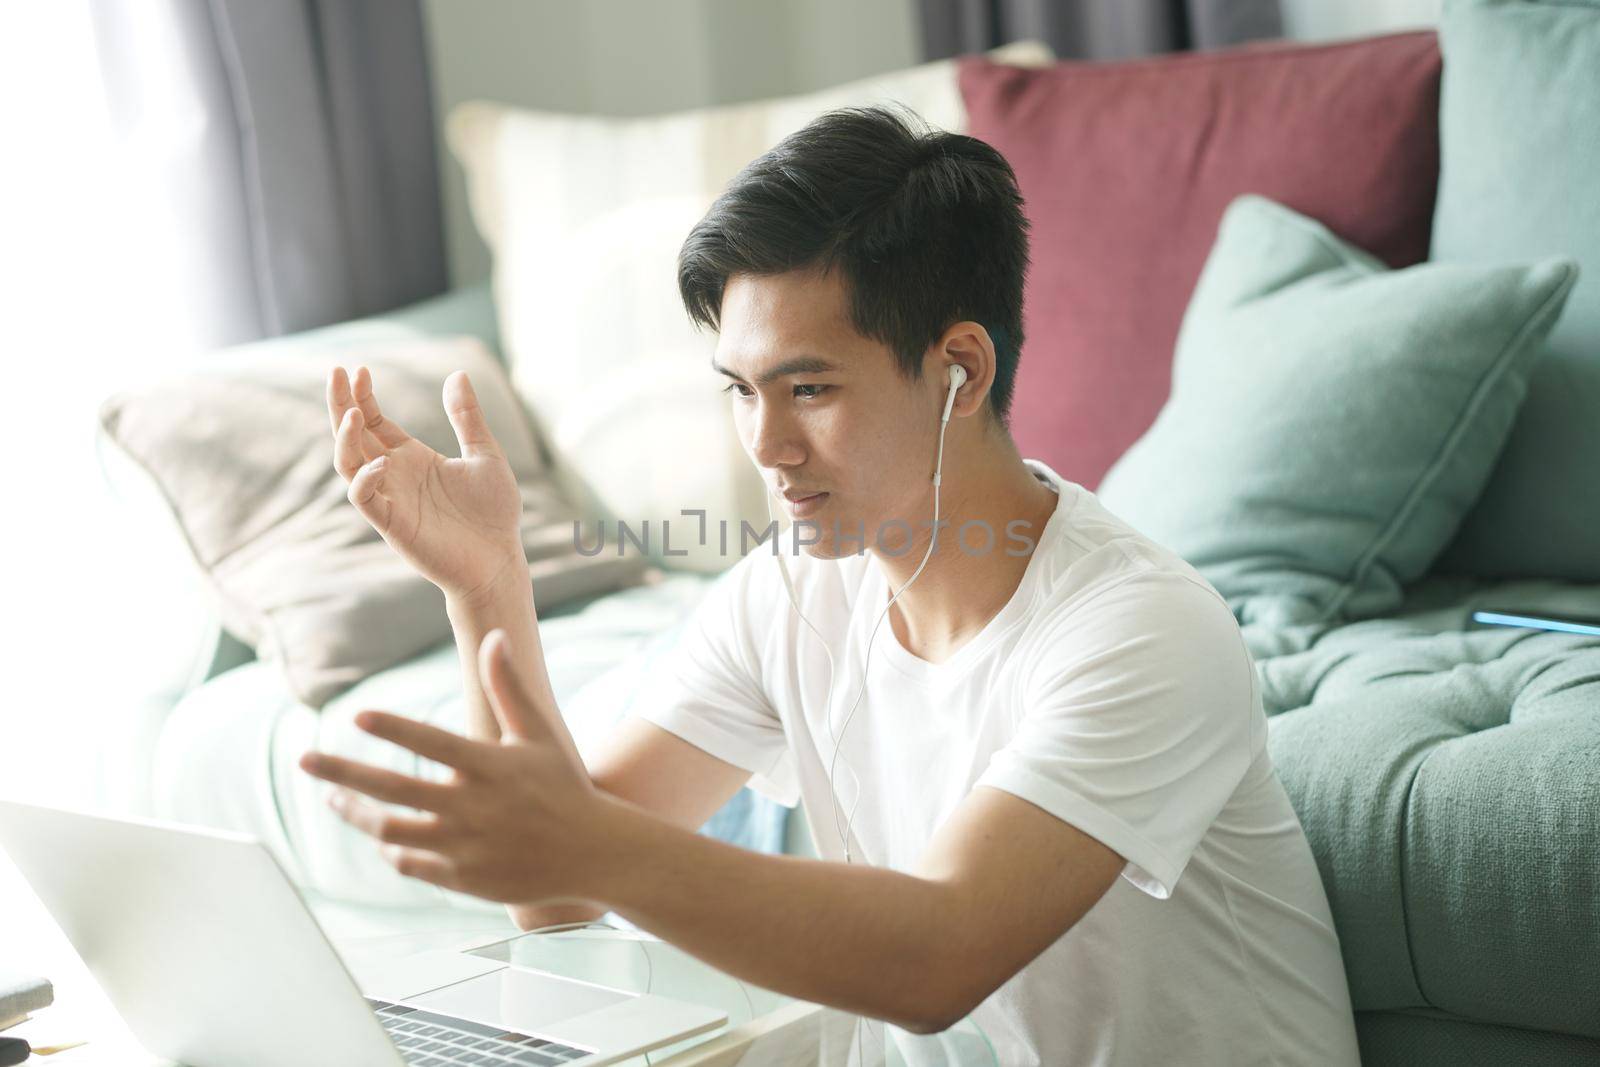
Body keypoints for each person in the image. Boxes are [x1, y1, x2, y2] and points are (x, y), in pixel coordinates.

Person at [299, 105, 1360, 1065]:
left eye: (808, 388)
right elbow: (563, 891)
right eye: (739, 392)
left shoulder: (1137, 629)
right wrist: (487, 582)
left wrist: (590, 837)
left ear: (962, 368)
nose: (766, 445)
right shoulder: (790, 594)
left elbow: (935, 958)